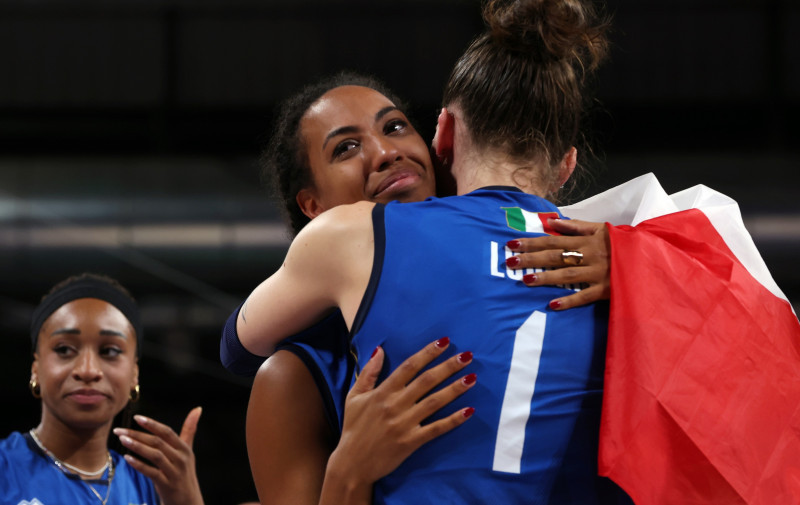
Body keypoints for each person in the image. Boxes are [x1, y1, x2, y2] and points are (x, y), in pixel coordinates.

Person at [235, 0, 632, 503]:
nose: (386, 152)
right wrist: (348, 472)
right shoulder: (296, 376)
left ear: (441, 137)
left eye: (396, 126)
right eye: (346, 148)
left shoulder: (612, 258)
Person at [0, 273, 205, 505]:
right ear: (35, 368)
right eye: (64, 349)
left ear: (134, 374)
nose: (88, 371)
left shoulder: (158, 487)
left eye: (110, 351)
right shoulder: (5, 467)